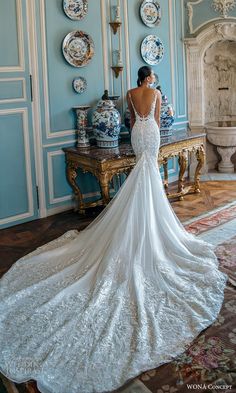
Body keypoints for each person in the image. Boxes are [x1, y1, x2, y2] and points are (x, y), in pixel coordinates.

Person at [0, 66, 227, 393]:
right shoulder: (156, 92)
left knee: (141, 172)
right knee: (151, 173)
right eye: (151, 77)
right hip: (152, 136)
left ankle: (139, 218)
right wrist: (153, 124)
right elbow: (158, 119)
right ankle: (149, 225)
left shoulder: (130, 95)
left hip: (138, 136)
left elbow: (132, 123)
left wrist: (141, 128)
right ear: (149, 77)